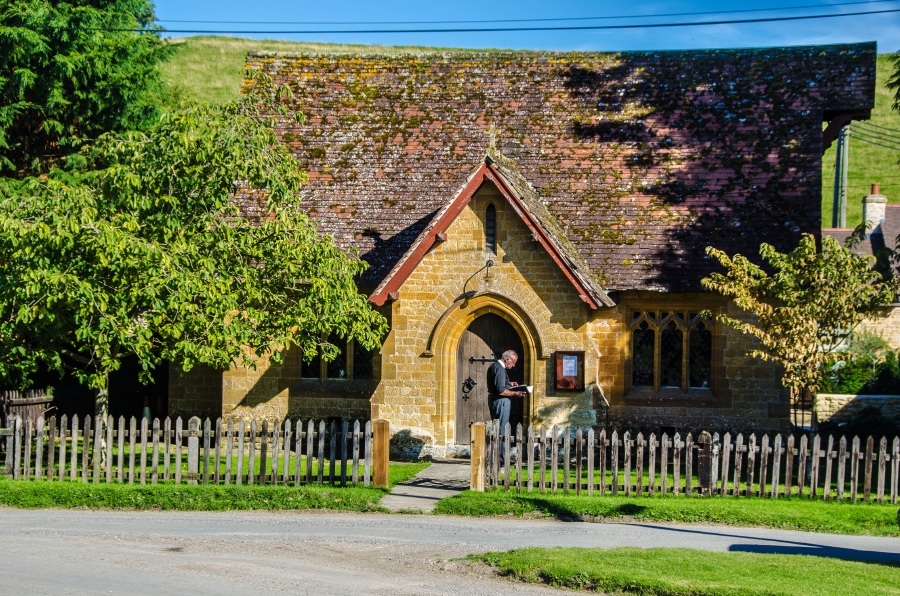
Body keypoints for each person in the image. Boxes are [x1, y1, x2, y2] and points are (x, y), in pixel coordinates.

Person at [487, 349, 524, 462]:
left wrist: (509, 384)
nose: (513, 366)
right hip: (500, 401)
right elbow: (501, 391)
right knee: (501, 430)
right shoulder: (499, 368)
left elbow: (500, 384)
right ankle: (500, 459)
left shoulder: (496, 366)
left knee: (498, 428)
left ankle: (497, 457)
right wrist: (516, 393)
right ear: (507, 359)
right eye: (512, 363)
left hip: (498, 400)